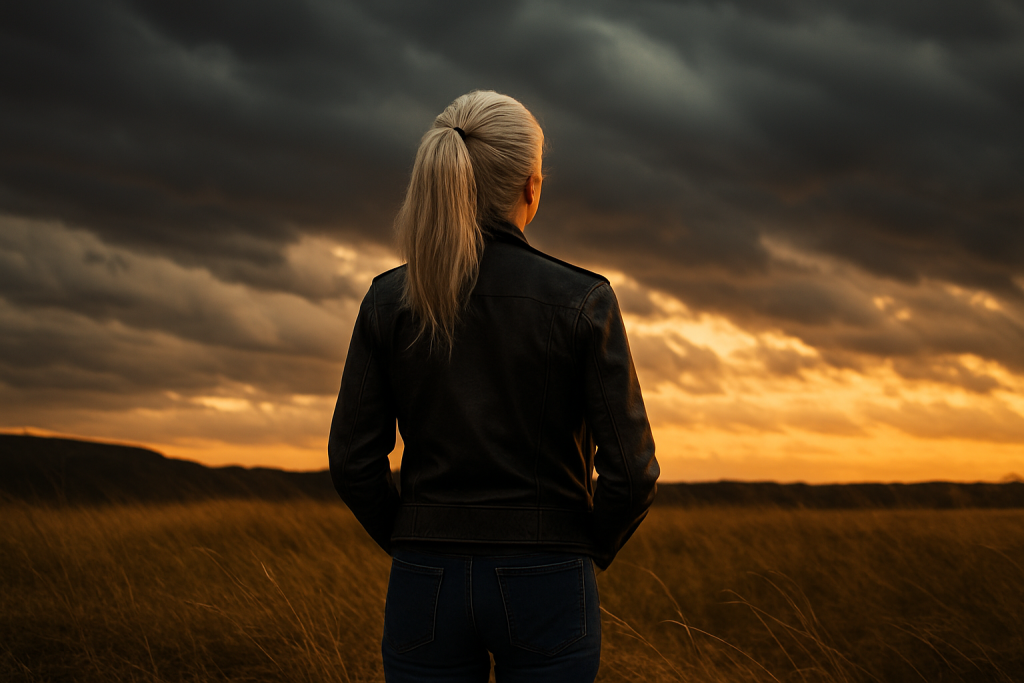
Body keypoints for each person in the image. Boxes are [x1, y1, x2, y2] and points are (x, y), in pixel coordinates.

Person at [328, 90, 659, 683]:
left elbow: (353, 462)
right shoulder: (583, 300)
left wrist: (418, 539)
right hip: (550, 576)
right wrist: (580, 547)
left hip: (424, 576)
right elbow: (632, 473)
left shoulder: (388, 299)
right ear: (531, 186)